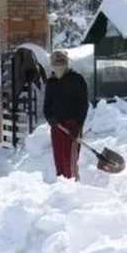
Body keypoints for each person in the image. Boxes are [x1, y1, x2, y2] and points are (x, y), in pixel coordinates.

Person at [43, 50, 89, 180]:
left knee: (71, 160)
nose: (58, 65)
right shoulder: (51, 82)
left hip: (72, 126)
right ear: (52, 64)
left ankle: (72, 185)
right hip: (57, 127)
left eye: (61, 62)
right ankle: (62, 183)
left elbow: (83, 105)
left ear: (67, 63)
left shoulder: (77, 80)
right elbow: (47, 106)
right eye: (56, 63)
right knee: (59, 157)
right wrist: (50, 119)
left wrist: (78, 126)